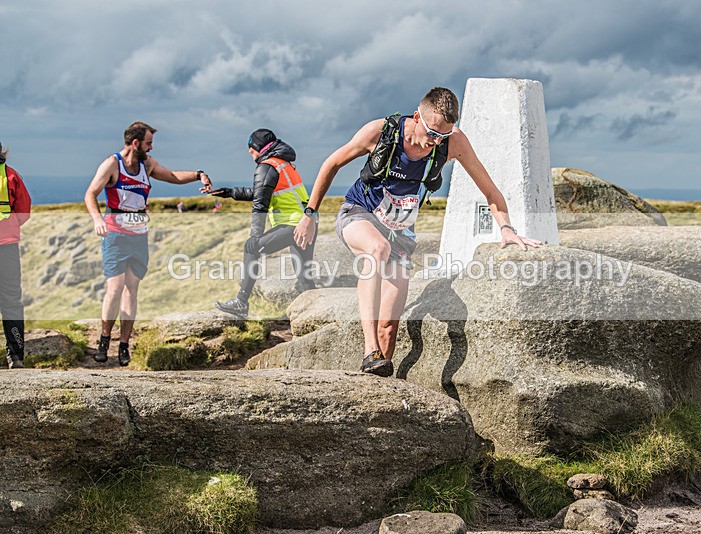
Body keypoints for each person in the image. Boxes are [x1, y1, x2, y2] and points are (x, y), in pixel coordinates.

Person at [294, 87, 541, 377]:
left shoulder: (454, 142)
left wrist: (507, 229)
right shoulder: (380, 131)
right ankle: (369, 349)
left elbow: (490, 190)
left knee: (390, 325)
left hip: (398, 232)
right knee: (376, 250)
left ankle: (376, 377)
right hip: (358, 214)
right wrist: (310, 214)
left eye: (443, 136)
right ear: (416, 117)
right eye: (432, 133)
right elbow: (331, 164)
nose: (435, 141)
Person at [84, 122, 213, 366]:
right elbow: (90, 194)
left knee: (131, 289)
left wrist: (199, 174)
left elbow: (172, 176)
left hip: (139, 234)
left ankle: (124, 345)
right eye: (148, 143)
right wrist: (97, 219)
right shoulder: (112, 164)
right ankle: (104, 339)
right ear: (135, 143)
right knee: (115, 287)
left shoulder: (148, 164)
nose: (151, 147)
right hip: (115, 233)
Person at [212, 128, 316, 318]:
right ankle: (316, 317)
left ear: (258, 147)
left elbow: (260, 203)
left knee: (251, 248)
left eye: (250, 148)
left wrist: (255, 235)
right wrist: (231, 193)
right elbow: (261, 192)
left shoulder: (266, 166)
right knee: (305, 281)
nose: (249, 153)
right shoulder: (283, 163)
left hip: (291, 225)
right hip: (306, 224)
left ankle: (241, 302)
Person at [0, 141, 31, 369]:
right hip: (7, 246)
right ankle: (16, 356)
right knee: (11, 300)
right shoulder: (11, 176)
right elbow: (24, 211)